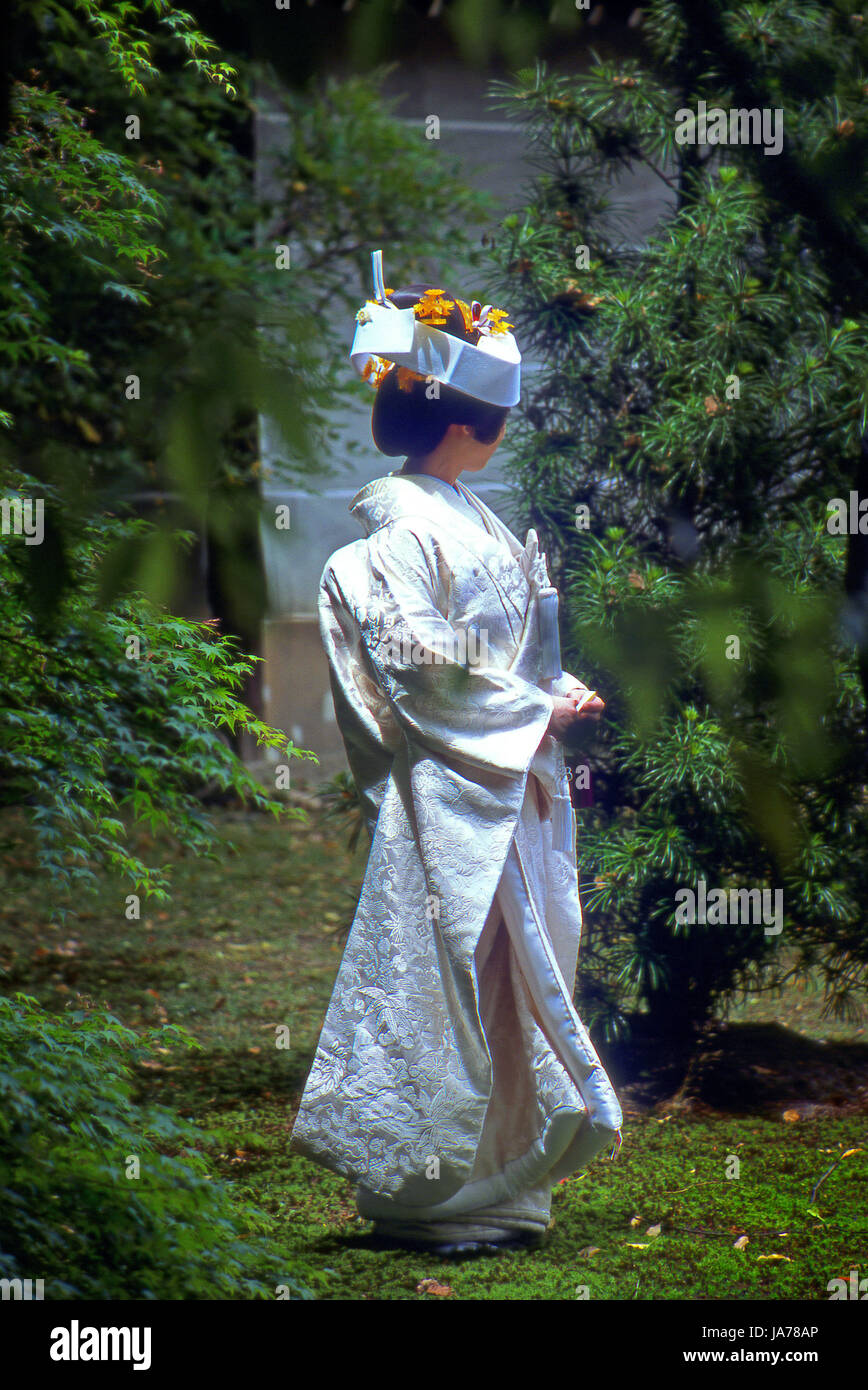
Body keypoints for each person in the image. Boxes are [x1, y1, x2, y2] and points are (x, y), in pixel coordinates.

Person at [289, 252, 622, 1255]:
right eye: (498, 410)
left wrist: (554, 690)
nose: (503, 427)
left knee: (521, 968)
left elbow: (502, 646)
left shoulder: (471, 515)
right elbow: (420, 662)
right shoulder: (400, 529)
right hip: (452, 787)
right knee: (463, 979)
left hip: (505, 773)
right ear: (464, 421)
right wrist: (537, 712)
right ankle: (436, 1193)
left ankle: (502, 1185)